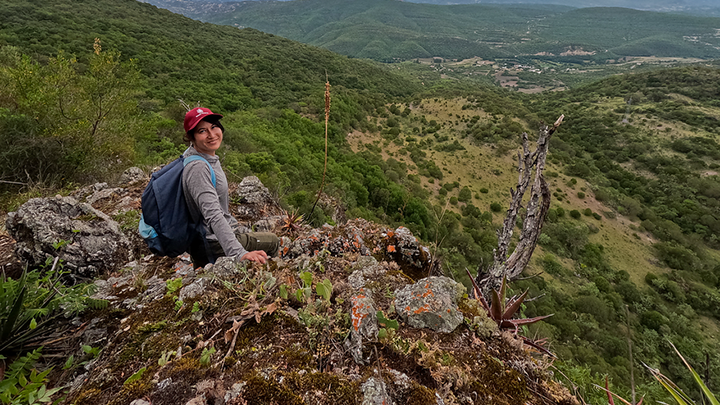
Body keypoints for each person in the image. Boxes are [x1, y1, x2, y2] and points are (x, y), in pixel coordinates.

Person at [181, 107, 279, 268]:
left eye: (214, 127)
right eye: (202, 131)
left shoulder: (205, 156)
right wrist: (238, 253)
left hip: (213, 238)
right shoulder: (198, 168)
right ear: (192, 138)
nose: (212, 134)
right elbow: (213, 215)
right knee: (273, 242)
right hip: (211, 243)